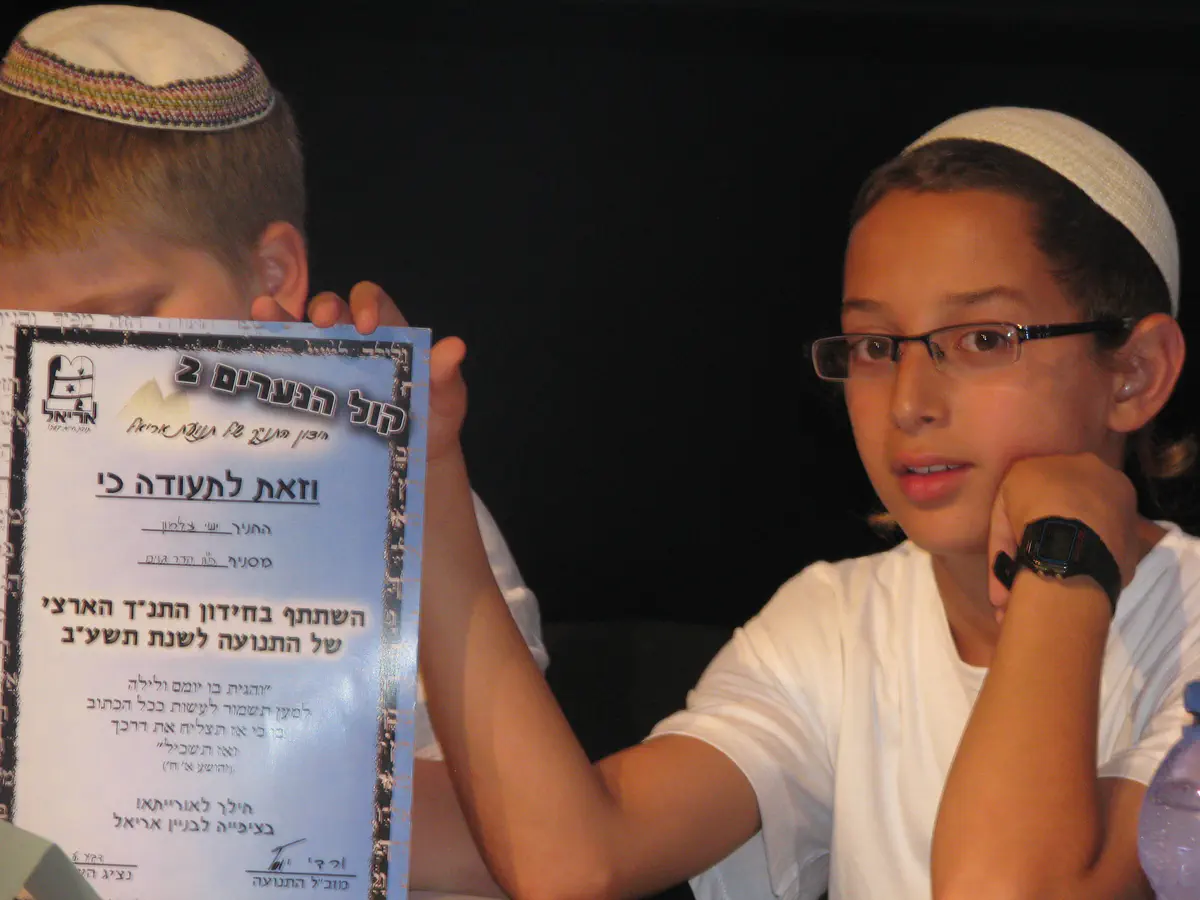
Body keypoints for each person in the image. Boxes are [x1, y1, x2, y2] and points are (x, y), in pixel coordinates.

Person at [401, 106, 1198, 900]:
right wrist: (425, 466)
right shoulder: (840, 624)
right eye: (875, 346)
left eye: (982, 339)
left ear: (1135, 373)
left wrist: (1062, 552)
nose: (909, 402)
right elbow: (575, 857)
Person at [0, 6, 544, 895]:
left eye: (119, 321)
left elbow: (522, 844)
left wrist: (183, 789)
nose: (64, 374)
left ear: (274, 276)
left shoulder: (399, 507)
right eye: (17, 337)